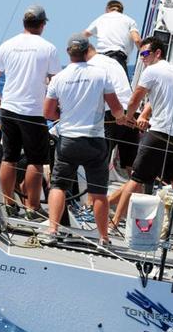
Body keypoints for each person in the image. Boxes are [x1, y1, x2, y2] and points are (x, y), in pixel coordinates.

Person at [44, 34, 126, 244]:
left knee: (58, 186)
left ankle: (52, 231)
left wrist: (64, 116)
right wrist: (121, 119)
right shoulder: (101, 74)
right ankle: (103, 238)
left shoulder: (58, 78)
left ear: (68, 53)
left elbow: (48, 113)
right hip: (94, 141)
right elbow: (116, 109)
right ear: (88, 49)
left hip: (68, 140)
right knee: (99, 192)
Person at [0, 5, 61, 220]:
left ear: (24, 23)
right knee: (35, 161)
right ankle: (32, 207)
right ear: (43, 24)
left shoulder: (7, 45)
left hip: (8, 108)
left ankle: (8, 203)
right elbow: (56, 82)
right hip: (33, 111)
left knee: (8, 157)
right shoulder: (48, 48)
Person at [111, 37, 173, 228]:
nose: (142, 59)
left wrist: (128, 118)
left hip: (159, 133)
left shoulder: (151, 71)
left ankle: (114, 224)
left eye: (145, 54)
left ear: (158, 53)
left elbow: (133, 100)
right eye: (140, 55)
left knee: (136, 178)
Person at [86, 41, 138, 177]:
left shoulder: (92, 64)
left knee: (102, 159)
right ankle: (140, 193)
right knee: (131, 166)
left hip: (112, 113)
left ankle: (95, 194)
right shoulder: (114, 62)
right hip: (131, 112)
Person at [83, 0, 141, 76]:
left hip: (99, 60)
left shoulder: (100, 19)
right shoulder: (129, 20)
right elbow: (137, 40)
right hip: (117, 58)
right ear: (121, 11)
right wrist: (145, 54)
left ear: (107, 9)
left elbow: (83, 36)